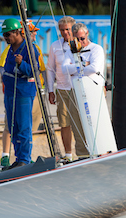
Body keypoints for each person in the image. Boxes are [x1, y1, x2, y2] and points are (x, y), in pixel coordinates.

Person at [0, 20, 46, 169]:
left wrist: (22, 64)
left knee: (24, 127)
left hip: (24, 92)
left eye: (8, 35)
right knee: (13, 127)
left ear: (17, 32)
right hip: (11, 92)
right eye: (4, 35)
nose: (5, 38)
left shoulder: (30, 48)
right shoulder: (10, 48)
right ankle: (18, 158)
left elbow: (34, 71)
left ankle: (24, 159)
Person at [61, 22, 106, 158]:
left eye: (82, 38)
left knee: (96, 124)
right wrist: (83, 65)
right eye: (77, 39)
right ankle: (83, 155)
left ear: (87, 34)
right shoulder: (70, 50)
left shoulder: (96, 49)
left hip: (93, 89)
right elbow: (64, 69)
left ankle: (101, 153)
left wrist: (75, 68)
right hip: (76, 90)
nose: (81, 42)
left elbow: (95, 68)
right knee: (78, 125)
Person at [46, 16, 81, 161]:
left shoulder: (81, 43)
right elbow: (50, 69)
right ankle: (68, 154)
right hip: (62, 88)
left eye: (67, 29)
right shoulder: (55, 46)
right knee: (64, 123)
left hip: (78, 88)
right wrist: (50, 90)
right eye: (62, 30)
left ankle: (83, 152)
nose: (65, 33)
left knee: (80, 122)